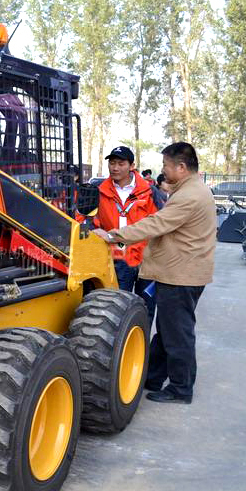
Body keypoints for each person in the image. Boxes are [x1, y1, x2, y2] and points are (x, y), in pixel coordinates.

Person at [92, 142, 216, 404]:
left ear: (181, 167)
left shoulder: (189, 196)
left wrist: (115, 235)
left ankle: (181, 389)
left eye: (166, 166)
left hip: (181, 274)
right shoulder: (189, 190)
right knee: (167, 329)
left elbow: (156, 223)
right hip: (179, 270)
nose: (163, 171)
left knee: (177, 333)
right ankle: (154, 378)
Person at [94, 145, 158, 325]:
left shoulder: (150, 191)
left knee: (146, 307)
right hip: (117, 257)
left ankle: (140, 345)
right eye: (112, 163)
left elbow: (162, 222)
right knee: (116, 307)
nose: (115, 168)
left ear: (131, 166)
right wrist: (95, 229)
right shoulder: (98, 190)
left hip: (147, 259)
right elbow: (86, 218)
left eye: (120, 163)